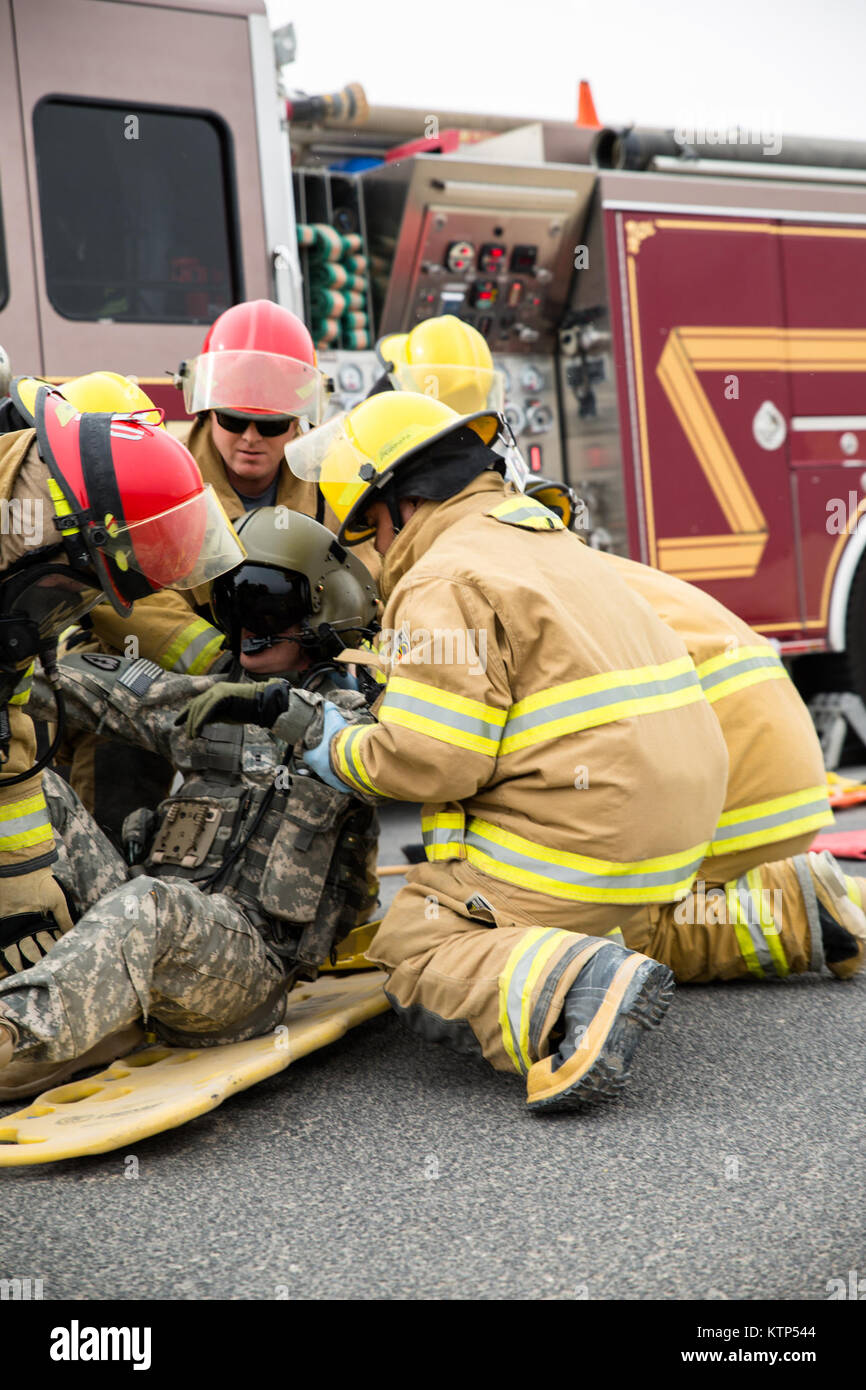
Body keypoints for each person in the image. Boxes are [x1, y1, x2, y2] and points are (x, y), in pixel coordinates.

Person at [199, 391, 866, 1113]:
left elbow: (434, 759)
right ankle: (798, 911)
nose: (378, 550)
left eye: (372, 529)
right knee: (636, 929)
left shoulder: (442, 576)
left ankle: (565, 1000)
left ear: (402, 507)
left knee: (419, 935)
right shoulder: (545, 539)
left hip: (593, 831)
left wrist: (337, 745)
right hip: (678, 829)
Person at [0, 507, 380, 1099]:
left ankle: (13, 1035)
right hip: (156, 923)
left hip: (244, 974)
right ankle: (42, 980)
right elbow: (83, 686)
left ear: (318, 615)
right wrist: (13, 655)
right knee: (31, 785)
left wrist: (289, 714)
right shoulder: (213, 700)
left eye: (268, 607)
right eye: (234, 605)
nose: (247, 626)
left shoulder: (360, 727)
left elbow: (409, 763)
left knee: (151, 904)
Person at [0, 385, 243, 982]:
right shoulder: (26, 556)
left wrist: (22, 889)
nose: (74, 606)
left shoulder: (20, 597)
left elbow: (12, 753)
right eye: (79, 587)